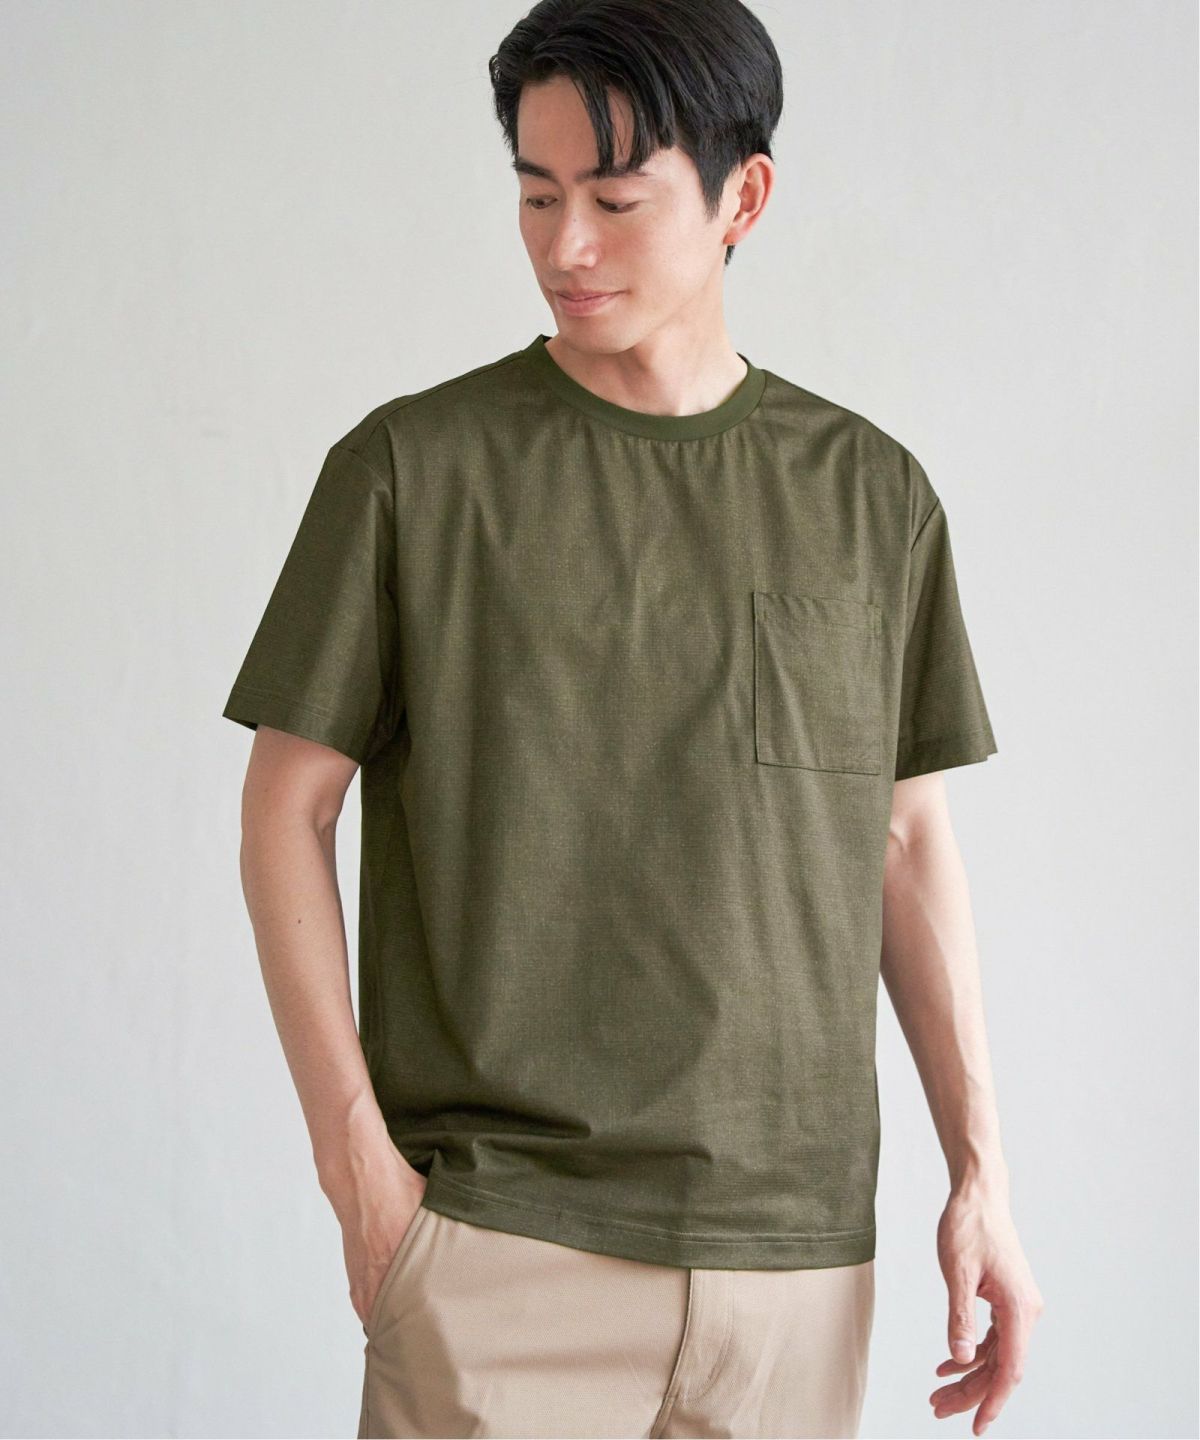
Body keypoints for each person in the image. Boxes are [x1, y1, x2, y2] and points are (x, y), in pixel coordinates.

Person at [222, 1, 1043, 1436]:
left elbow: (905, 843)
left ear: (743, 197)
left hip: (795, 1265)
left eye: (614, 199)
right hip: (497, 1243)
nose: (565, 248)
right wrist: (358, 1172)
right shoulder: (414, 470)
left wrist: (982, 1173)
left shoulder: (872, 495)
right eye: (536, 195)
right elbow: (285, 808)